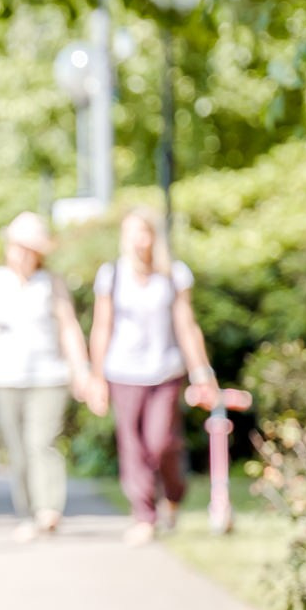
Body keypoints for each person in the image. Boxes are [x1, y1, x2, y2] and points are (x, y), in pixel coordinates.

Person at [0, 211, 103, 541]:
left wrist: (81, 369)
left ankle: (49, 509)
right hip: (6, 377)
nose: (24, 254)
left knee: (41, 442)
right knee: (17, 450)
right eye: (19, 246)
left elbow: (69, 328)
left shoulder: (51, 283)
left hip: (48, 375)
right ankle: (27, 512)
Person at [90, 209, 219, 544]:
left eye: (142, 232)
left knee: (161, 442)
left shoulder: (174, 275)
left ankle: (173, 493)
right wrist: (96, 376)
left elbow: (186, 325)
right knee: (132, 444)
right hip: (123, 371)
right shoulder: (112, 274)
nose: (137, 240)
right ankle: (144, 515)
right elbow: (102, 327)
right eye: (130, 232)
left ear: (153, 236)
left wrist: (202, 372)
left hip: (164, 370)